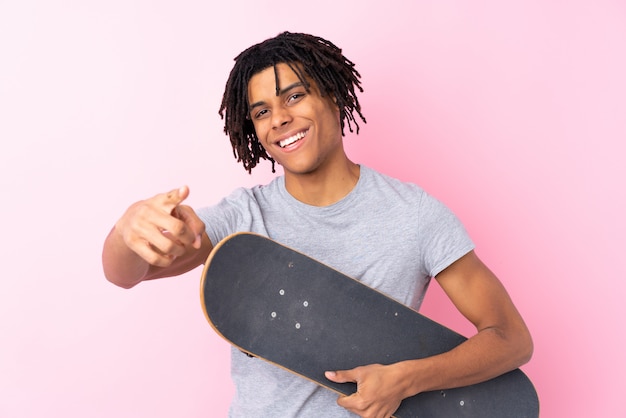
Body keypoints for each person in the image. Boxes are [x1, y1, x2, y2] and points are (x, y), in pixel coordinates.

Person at [102, 32, 533, 418]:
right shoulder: (242, 218)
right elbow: (125, 274)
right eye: (261, 111)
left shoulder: (414, 214)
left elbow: (511, 339)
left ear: (334, 95)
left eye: (293, 97)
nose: (279, 120)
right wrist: (127, 231)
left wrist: (408, 379)